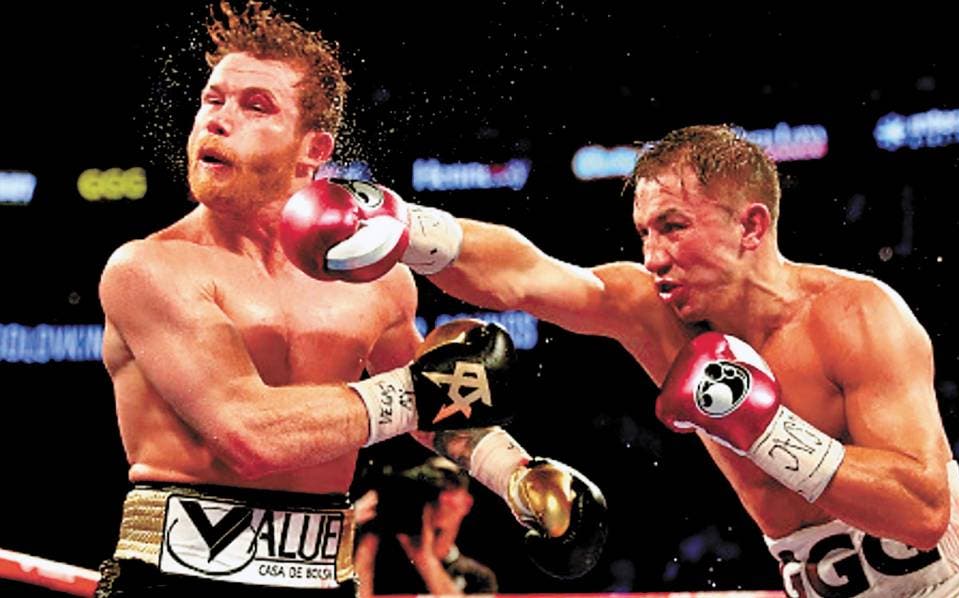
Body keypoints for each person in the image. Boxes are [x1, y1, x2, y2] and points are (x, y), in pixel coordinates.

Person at [294, 124, 959, 596]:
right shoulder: (653, 313)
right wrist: (408, 228)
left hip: (954, 589)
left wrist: (764, 428)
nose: (654, 255)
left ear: (751, 226)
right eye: (645, 232)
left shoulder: (856, 314)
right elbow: (525, 275)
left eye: (673, 227)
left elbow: (923, 513)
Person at [95, 2, 605, 595]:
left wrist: (515, 474)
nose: (217, 121)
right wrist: (417, 393)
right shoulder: (149, 268)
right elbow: (248, 434)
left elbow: (438, 407)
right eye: (212, 101)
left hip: (325, 579)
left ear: (313, 149)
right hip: (177, 579)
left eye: (255, 106)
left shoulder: (376, 280)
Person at [353, 456, 499, 596]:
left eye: (450, 489)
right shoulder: (383, 565)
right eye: (435, 490)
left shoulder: (476, 577)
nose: (439, 499)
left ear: (467, 503)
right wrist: (355, 524)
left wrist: (425, 561)